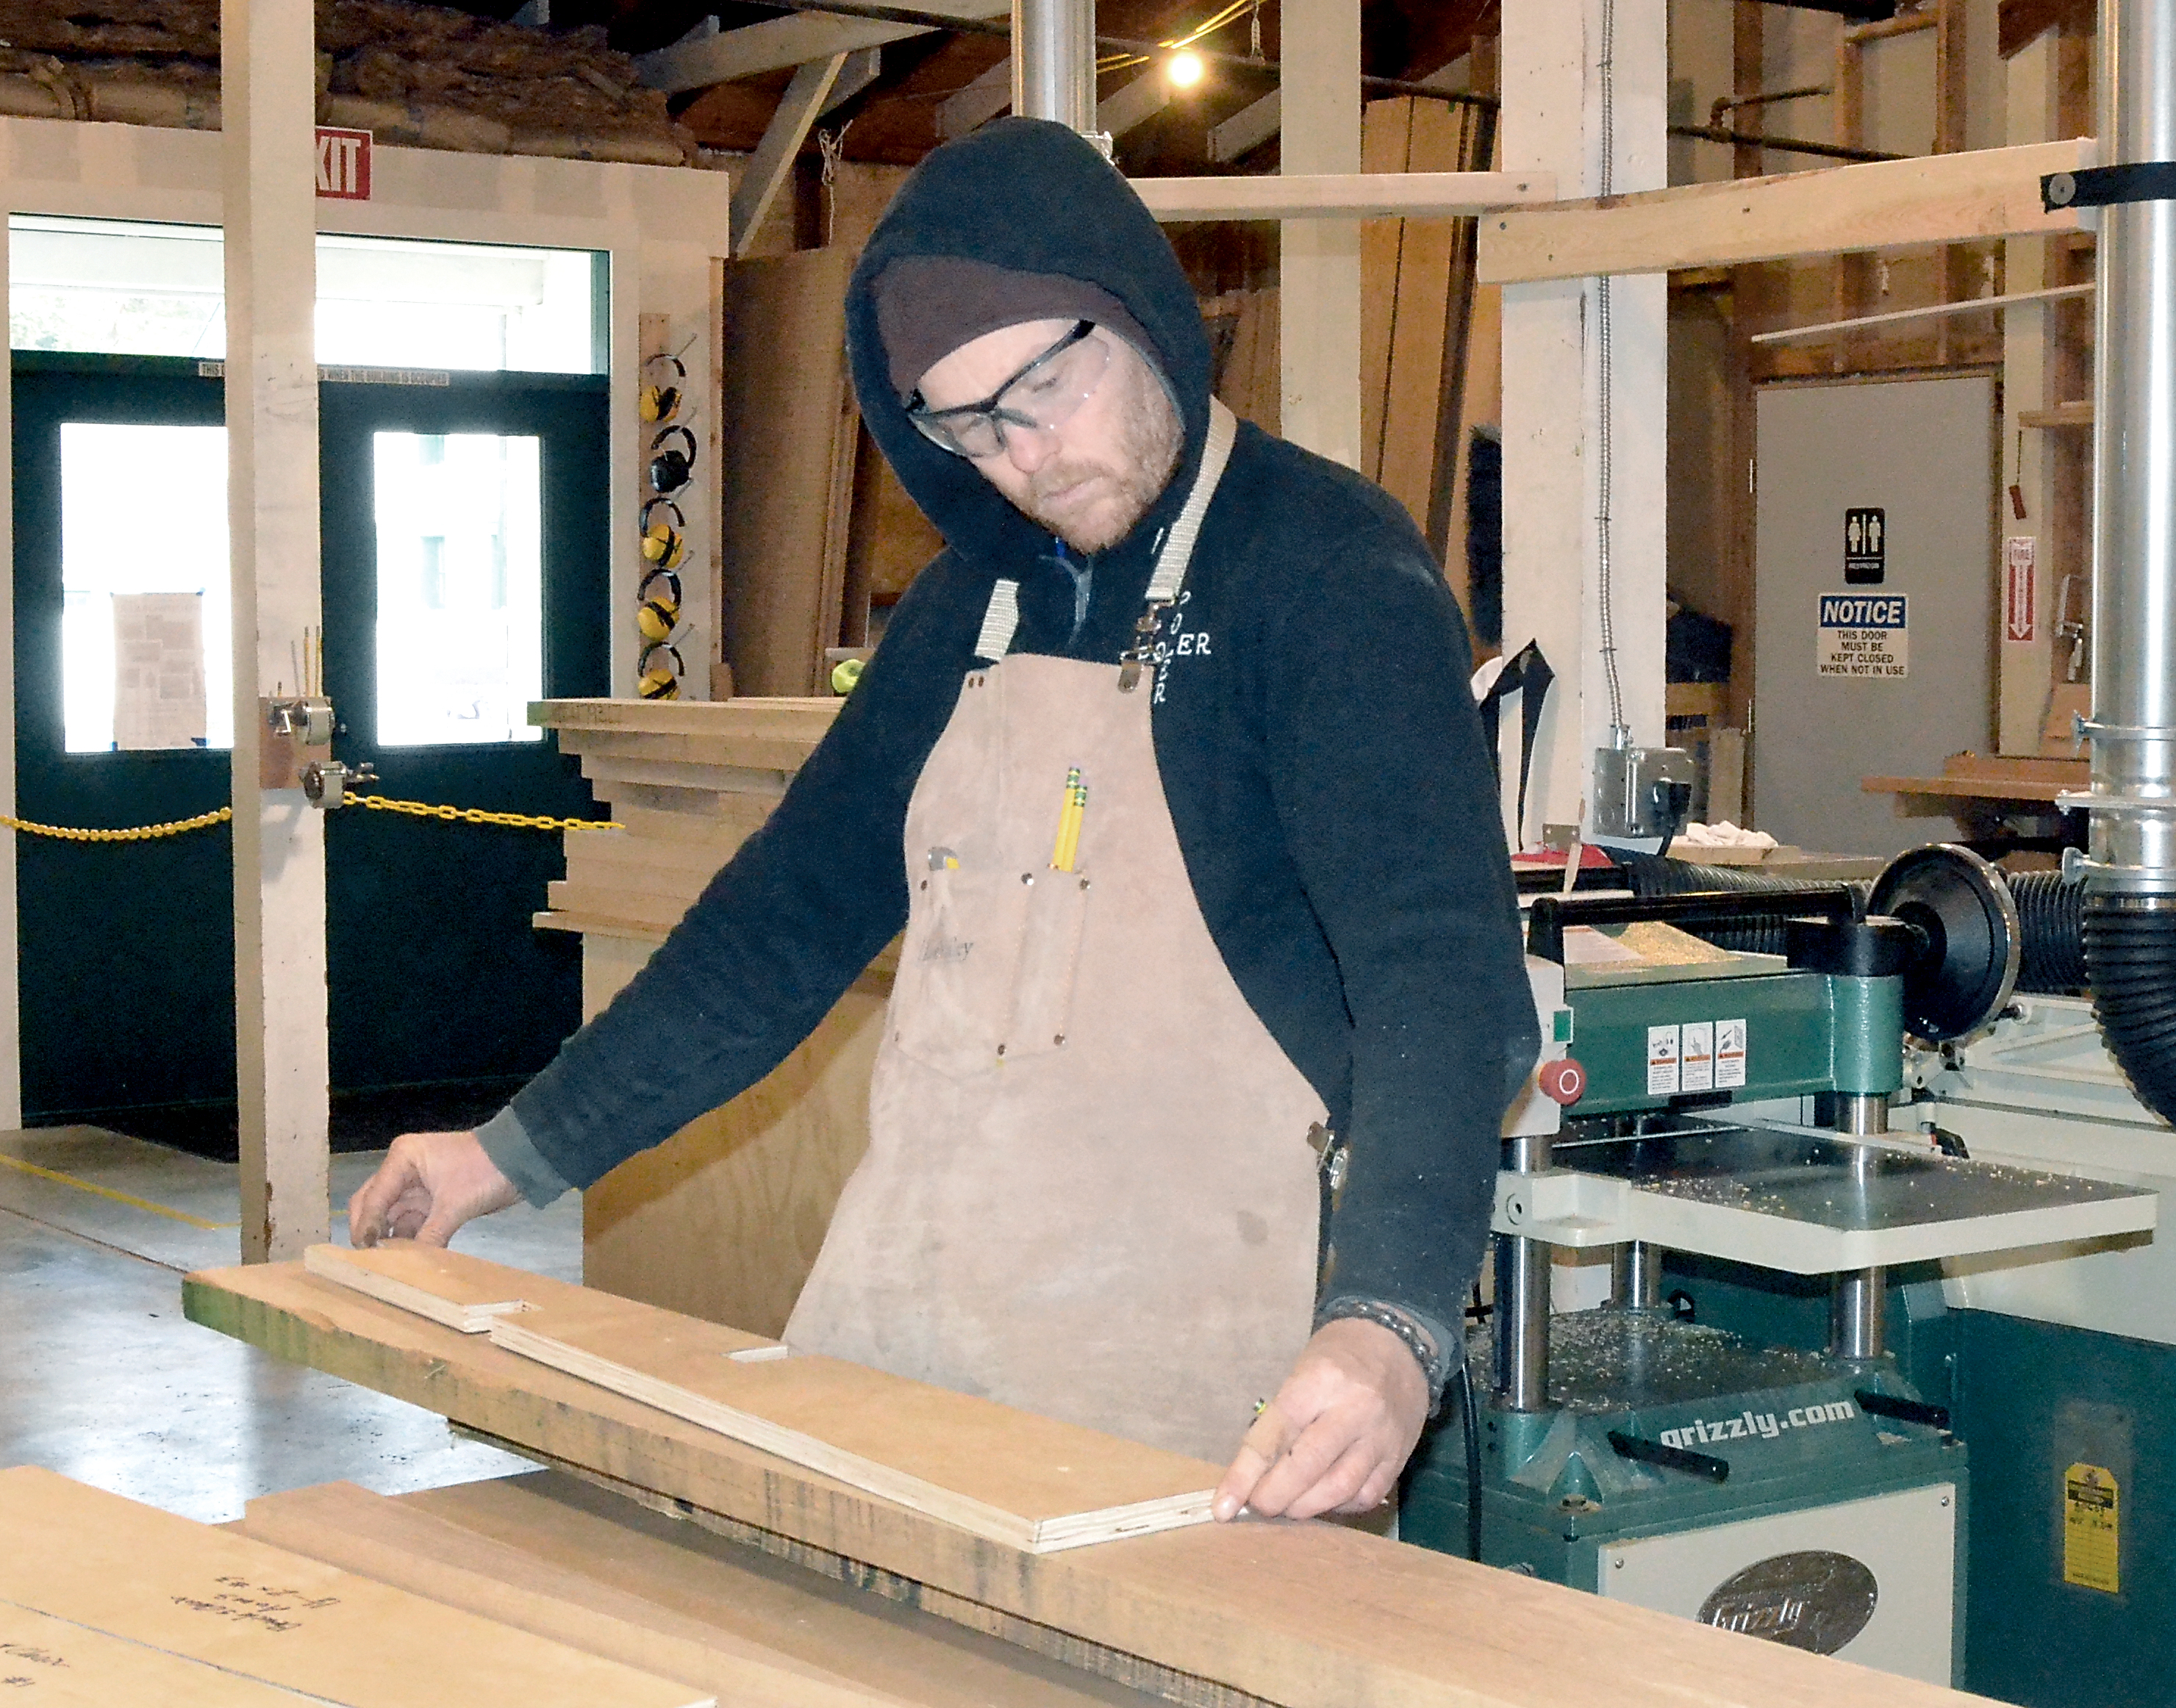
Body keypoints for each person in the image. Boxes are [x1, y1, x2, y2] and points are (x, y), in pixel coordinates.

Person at [350, 117, 1536, 1524]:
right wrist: (507, 1154)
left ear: (1144, 317)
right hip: (909, 1352)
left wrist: (1390, 1323)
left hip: (1197, 1408)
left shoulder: (1329, 575)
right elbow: (777, 928)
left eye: (1051, 383)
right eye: (971, 425)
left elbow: (1444, 984)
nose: (1029, 457)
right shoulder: (966, 609)